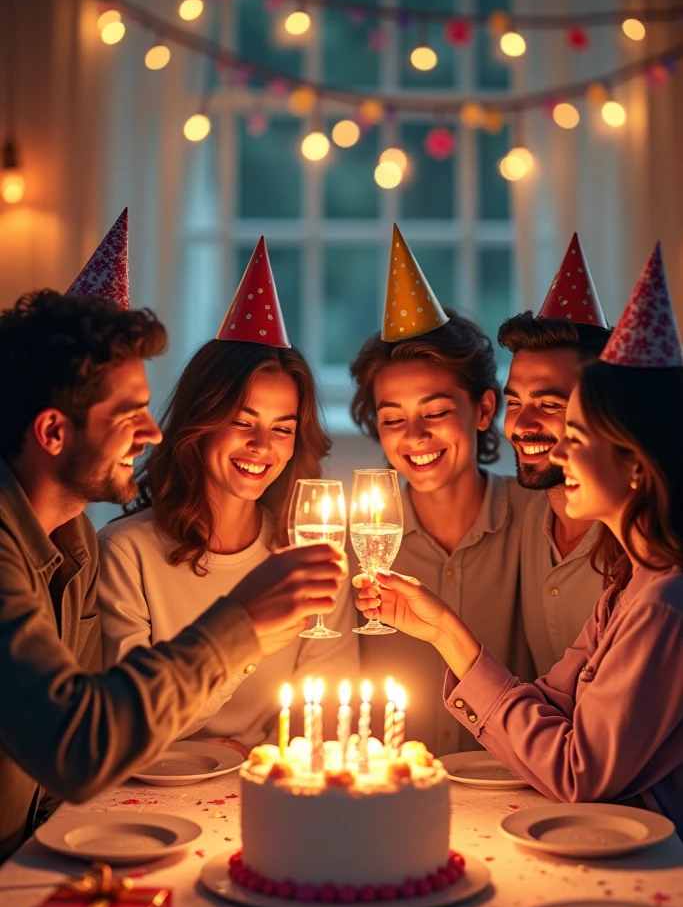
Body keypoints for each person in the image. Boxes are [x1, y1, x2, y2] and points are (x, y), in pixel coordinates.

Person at [0, 229, 345, 862]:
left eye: (282, 428)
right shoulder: (87, 548)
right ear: (52, 431)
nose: (152, 430)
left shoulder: (72, 545)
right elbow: (82, 744)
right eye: (128, 412)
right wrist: (243, 623)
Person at [356, 243, 683, 833]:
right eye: (519, 403)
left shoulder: (661, 602)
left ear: (635, 462)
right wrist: (443, 630)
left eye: (571, 429)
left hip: (643, 849)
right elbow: (553, 702)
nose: (550, 442)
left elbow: (579, 774)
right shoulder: (630, 582)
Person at [97, 238, 358, 754]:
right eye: (242, 423)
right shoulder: (126, 553)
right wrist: (245, 643)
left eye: (282, 429)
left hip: (270, 789)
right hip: (150, 796)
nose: (262, 447)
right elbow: (128, 726)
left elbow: (330, 712)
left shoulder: (305, 555)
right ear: (200, 425)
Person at [349, 225, 533, 757]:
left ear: (482, 410)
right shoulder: (357, 543)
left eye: (434, 412)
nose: (415, 437)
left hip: (518, 786)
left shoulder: (540, 519)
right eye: (393, 419)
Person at [499, 234, 611, 674]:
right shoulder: (527, 519)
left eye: (549, 405)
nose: (523, 425)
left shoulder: (645, 547)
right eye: (514, 403)